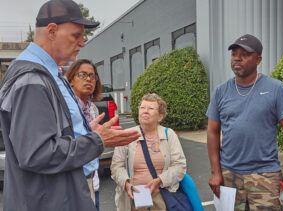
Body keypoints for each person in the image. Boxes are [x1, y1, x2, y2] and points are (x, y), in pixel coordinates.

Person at [0, 0, 140, 211]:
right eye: (76, 35)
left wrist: (84, 133)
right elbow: (37, 153)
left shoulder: (49, 74)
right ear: (52, 30)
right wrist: (96, 140)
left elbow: (47, 137)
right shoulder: (32, 80)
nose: (82, 42)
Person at [206, 34, 283, 210]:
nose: (237, 58)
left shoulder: (276, 89)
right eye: (234, 54)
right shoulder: (220, 92)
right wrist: (215, 172)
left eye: (245, 54)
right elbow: (212, 131)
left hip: (265, 175)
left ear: (258, 59)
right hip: (229, 175)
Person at [111, 93, 187, 211]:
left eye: (151, 108)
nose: (145, 111)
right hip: (134, 198)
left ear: (160, 117)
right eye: (142, 108)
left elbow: (180, 166)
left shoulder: (169, 134)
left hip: (162, 197)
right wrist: (126, 184)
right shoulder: (126, 135)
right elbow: (116, 166)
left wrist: (160, 180)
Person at [65, 59, 103, 210]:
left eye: (92, 76)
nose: (88, 79)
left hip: (94, 180)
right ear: (71, 80)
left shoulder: (93, 108)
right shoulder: (66, 108)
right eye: (82, 74)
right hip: (74, 182)